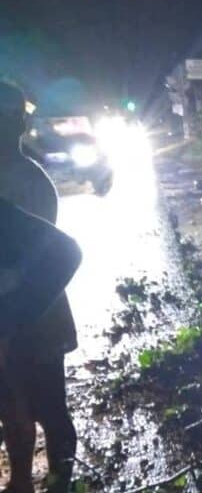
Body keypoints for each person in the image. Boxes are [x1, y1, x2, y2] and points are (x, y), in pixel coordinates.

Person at [0, 82, 79, 493]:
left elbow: (47, 259)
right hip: (12, 313)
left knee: (49, 406)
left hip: (38, 311)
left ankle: (60, 479)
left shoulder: (31, 183)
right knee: (10, 403)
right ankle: (20, 481)